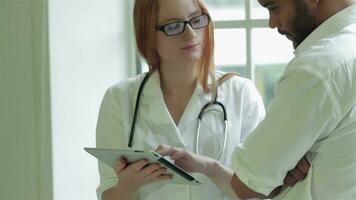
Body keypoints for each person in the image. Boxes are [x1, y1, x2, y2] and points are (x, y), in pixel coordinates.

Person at [95, 0, 308, 199]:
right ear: (147, 35)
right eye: (173, 26)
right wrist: (128, 185)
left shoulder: (240, 93)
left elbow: (259, 190)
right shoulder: (119, 99)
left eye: (196, 20)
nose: (190, 33)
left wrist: (211, 169)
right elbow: (108, 191)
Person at [157, 0, 356, 199]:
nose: (272, 23)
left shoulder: (316, 69)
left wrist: (274, 171)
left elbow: (247, 186)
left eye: (274, 7)